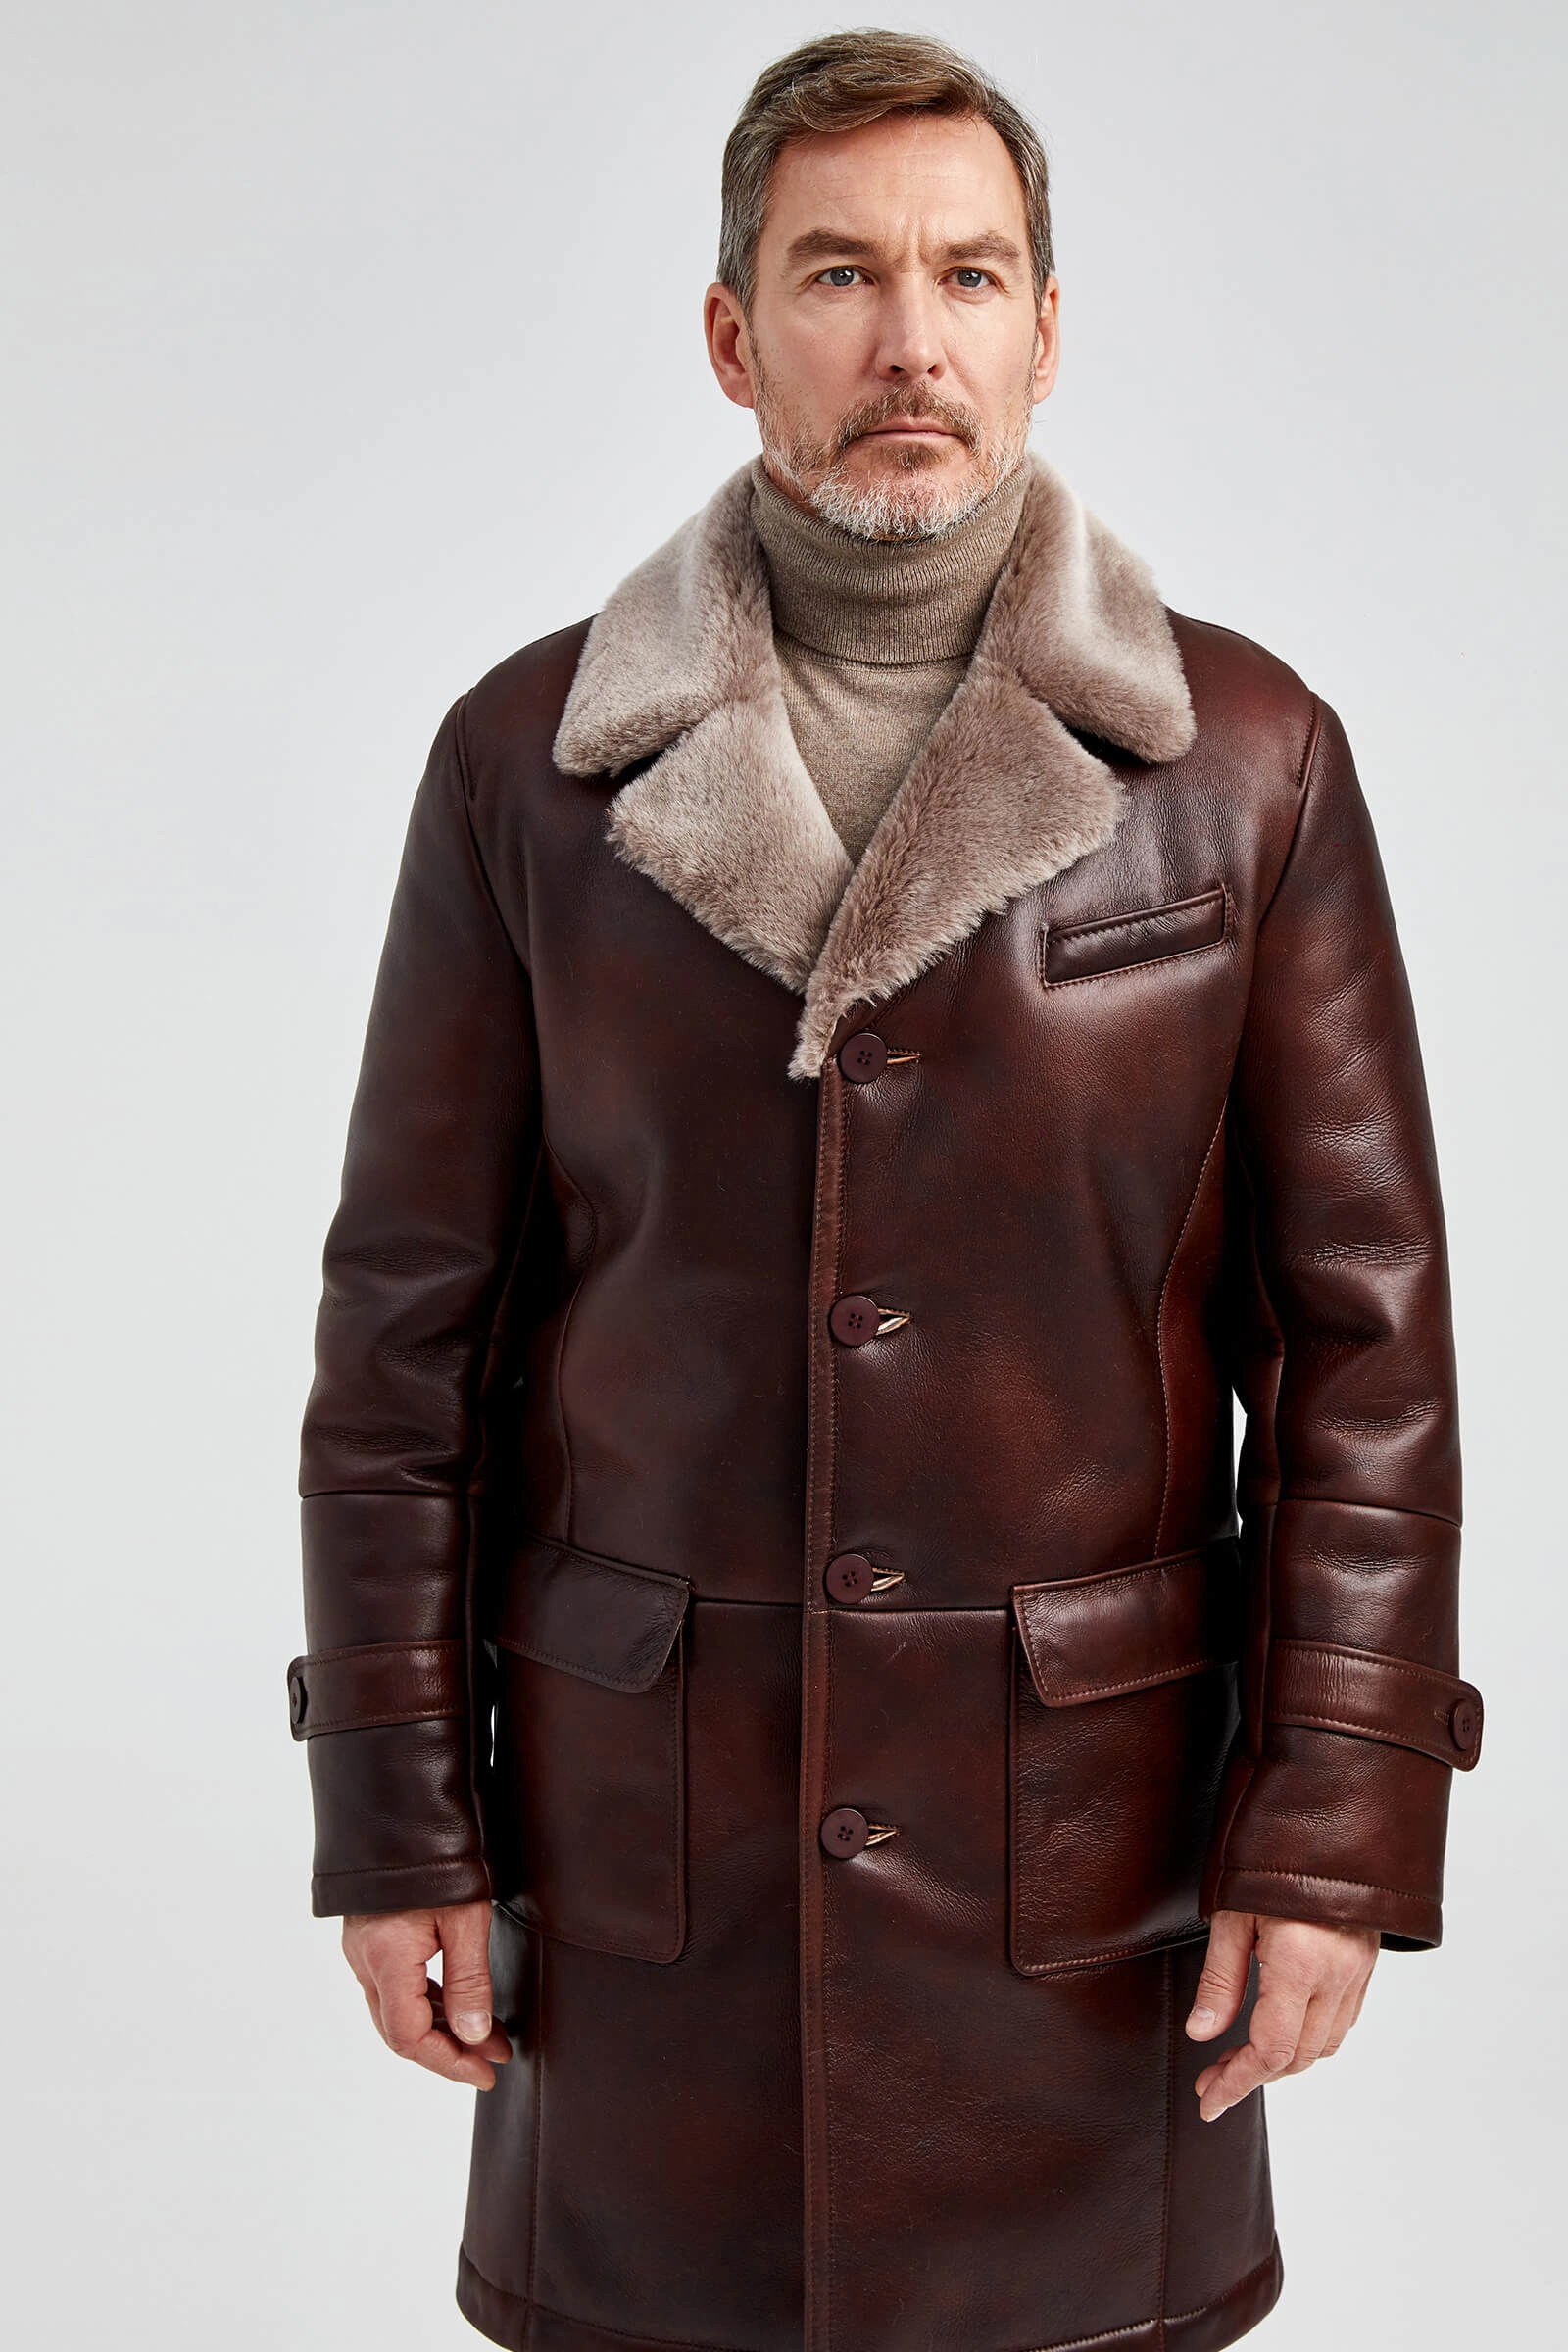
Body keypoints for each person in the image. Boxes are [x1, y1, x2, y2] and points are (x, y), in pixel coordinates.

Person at [288, 27, 1483, 2351]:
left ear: (1049, 326)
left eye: (970, 273)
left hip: (1089, 1853)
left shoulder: (1243, 763)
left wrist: (1338, 1818)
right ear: (735, 336)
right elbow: (407, 1338)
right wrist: (395, 1812)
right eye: (839, 274)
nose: (911, 337)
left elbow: (1366, 1353)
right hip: (653, 1855)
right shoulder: (528, 769)